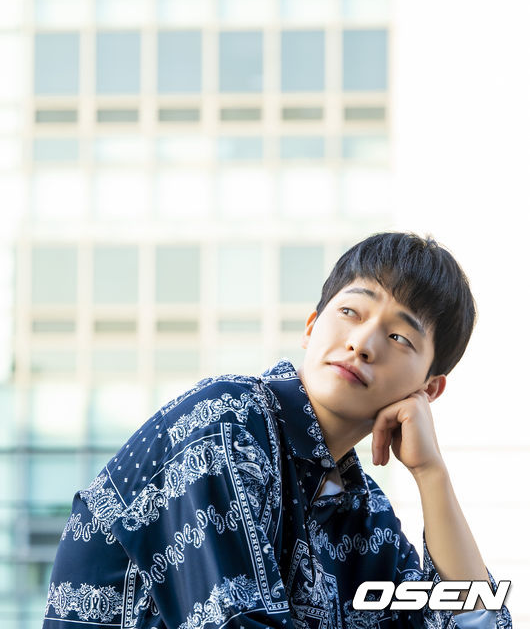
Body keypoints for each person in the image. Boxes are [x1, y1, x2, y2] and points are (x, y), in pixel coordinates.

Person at [42, 232, 512, 629]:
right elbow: (231, 620)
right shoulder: (226, 422)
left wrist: (432, 475)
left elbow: (479, 623)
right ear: (311, 326)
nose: (362, 343)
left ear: (428, 390)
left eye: (399, 337)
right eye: (351, 312)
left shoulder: (366, 518)